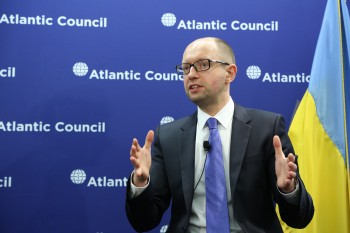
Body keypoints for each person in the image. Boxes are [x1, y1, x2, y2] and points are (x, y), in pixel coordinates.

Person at [125, 37, 314, 233]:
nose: (191, 74)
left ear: (230, 73)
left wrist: (289, 189)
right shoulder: (169, 137)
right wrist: (140, 184)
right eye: (186, 68)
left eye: (202, 65)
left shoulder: (267, 129)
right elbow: (144, 222)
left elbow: (300, 219)